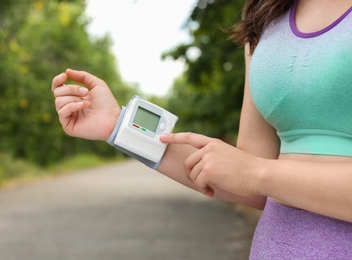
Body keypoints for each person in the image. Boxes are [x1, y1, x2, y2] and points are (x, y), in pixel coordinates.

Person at [51, 0, 352, 258]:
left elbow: (254, 173)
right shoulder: (265, 14)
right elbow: (244, 180)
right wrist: (117, 126)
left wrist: (257, 173)